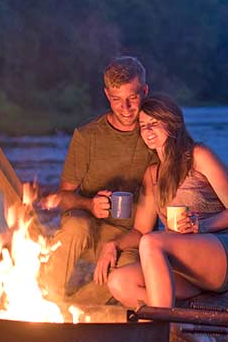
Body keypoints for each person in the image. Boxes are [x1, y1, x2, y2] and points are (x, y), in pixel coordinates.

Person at [108, 93, 228, 309]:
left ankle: (158, 336)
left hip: (224, 249)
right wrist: (113, 245)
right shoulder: (153, 175)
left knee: (152, 242)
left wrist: (201, 226)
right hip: (187, 268)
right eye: (143, 124)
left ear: (172, 124)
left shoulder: (197, 156)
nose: (147, 131)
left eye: (154, 124)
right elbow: (140, 232)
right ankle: (188, 332)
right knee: (119, 281)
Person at [38, 56, 156, 301]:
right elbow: (62, 198)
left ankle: (72, 312)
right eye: (116, 99)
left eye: (132, 98)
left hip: (131, 237)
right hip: (89, 231)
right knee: (74, 226)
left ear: (144, 91)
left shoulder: (155, 135)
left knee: (124, 275)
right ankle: (46, 299)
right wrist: (89, 204)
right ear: (106, 95)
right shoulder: (87, 136)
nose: (125, 108)